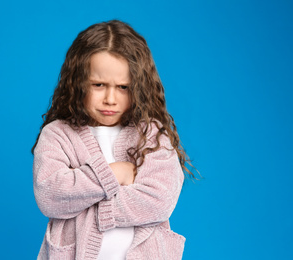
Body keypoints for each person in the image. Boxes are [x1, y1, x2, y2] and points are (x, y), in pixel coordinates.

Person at [32, 20, 197, 260]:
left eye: (123, 87)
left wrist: (90, 205)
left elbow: (159, 199)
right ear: (77, 83)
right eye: (98, 85)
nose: (111, 98)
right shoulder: (58, 134)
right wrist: (114, 173)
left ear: (139, 87)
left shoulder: (151, 135)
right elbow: (51, 195)